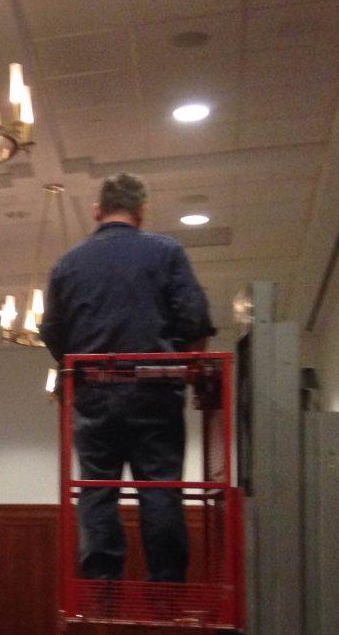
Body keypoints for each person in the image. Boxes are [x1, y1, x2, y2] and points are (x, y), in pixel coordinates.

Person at [39, 172, 215, 584]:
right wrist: (186, 365)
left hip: (94, 391)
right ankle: (167, 580)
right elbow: (195, 319)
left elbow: (50, 330)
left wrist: (76, 363)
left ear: (97, 211)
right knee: (159, 487)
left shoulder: (68, 264)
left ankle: (101, 579)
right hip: (154, 389)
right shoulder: (167, 252)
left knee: (97, 486)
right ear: (141, 211)